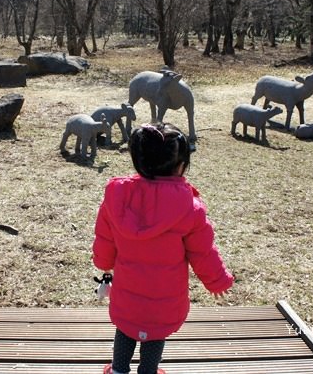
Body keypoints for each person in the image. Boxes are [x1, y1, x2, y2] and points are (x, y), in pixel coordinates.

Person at [93, 122, 234, 374]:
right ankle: (148, 371)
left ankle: (118, 369)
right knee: (155, 333)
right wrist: (217, 281)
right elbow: (202, 251)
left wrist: (104, 263)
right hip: (166, 294)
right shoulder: (189, 207)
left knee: (126, 327)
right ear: (180, 165)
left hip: (128, 288)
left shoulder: (118, 197)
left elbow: (105, 238)